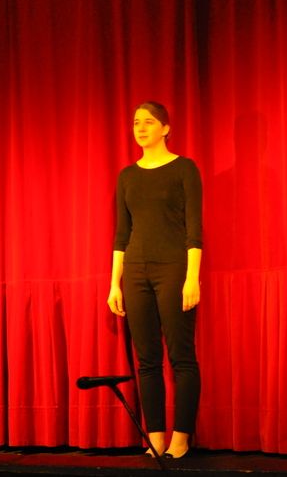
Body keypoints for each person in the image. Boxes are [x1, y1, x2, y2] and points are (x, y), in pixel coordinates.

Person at [107, 101, 202, 459]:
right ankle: (156, 437)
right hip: (135, 270)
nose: (141, 128)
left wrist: (192, 278)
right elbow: (122, 234)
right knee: (146, 361)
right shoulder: (127, 176)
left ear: (166, 128)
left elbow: (194, 229)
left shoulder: (184, 169)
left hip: (173, 268)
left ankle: (181, 437)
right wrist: (114, 283)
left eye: (148, 122)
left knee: (181, 356)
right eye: (136, 123)